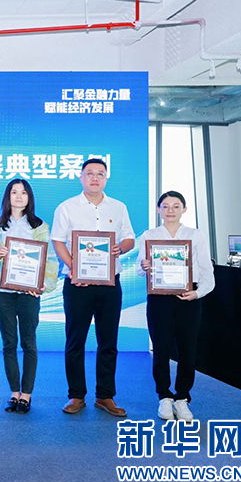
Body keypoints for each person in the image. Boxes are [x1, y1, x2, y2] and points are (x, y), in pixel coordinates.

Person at [51, 158, 135, 417]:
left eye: (100, 173)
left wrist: (120, 248)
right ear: (81, 177)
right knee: (75, 340)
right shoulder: (67, 207)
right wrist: (74, 267)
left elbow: (129, 238)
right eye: (90, 173)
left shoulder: (119, 207)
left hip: (110, 283)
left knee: (108, 341)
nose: (95, 178)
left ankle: (105, 395)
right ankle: (76, 395)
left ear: (106, 178)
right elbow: (58, 241)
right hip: (77, 283)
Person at [137, 191, 214, 422]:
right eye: (166, 206)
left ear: (184, 209)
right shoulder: (149, 235)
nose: (170, 210)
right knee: (160, 348)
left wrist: (197, 293)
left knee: (187, 348)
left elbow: (207, 270)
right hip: (159, 297)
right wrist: (145, 265)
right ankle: (164, 396)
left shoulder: (195, 235)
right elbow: (141, 269)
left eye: (176, 206)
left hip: (188, 296)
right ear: (158, 209)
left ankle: (182, 399)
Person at [0, 180, 58, 414]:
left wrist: (43, 286)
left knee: (29, 342)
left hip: (29, 292)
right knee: (9, 343)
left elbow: (50, 260)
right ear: (7, 197)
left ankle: (26, 394)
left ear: (29, 197)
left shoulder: (40, 227)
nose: (19, 196)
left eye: (24, 192)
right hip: (3, 292)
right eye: (14, 192)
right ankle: (14, 393)